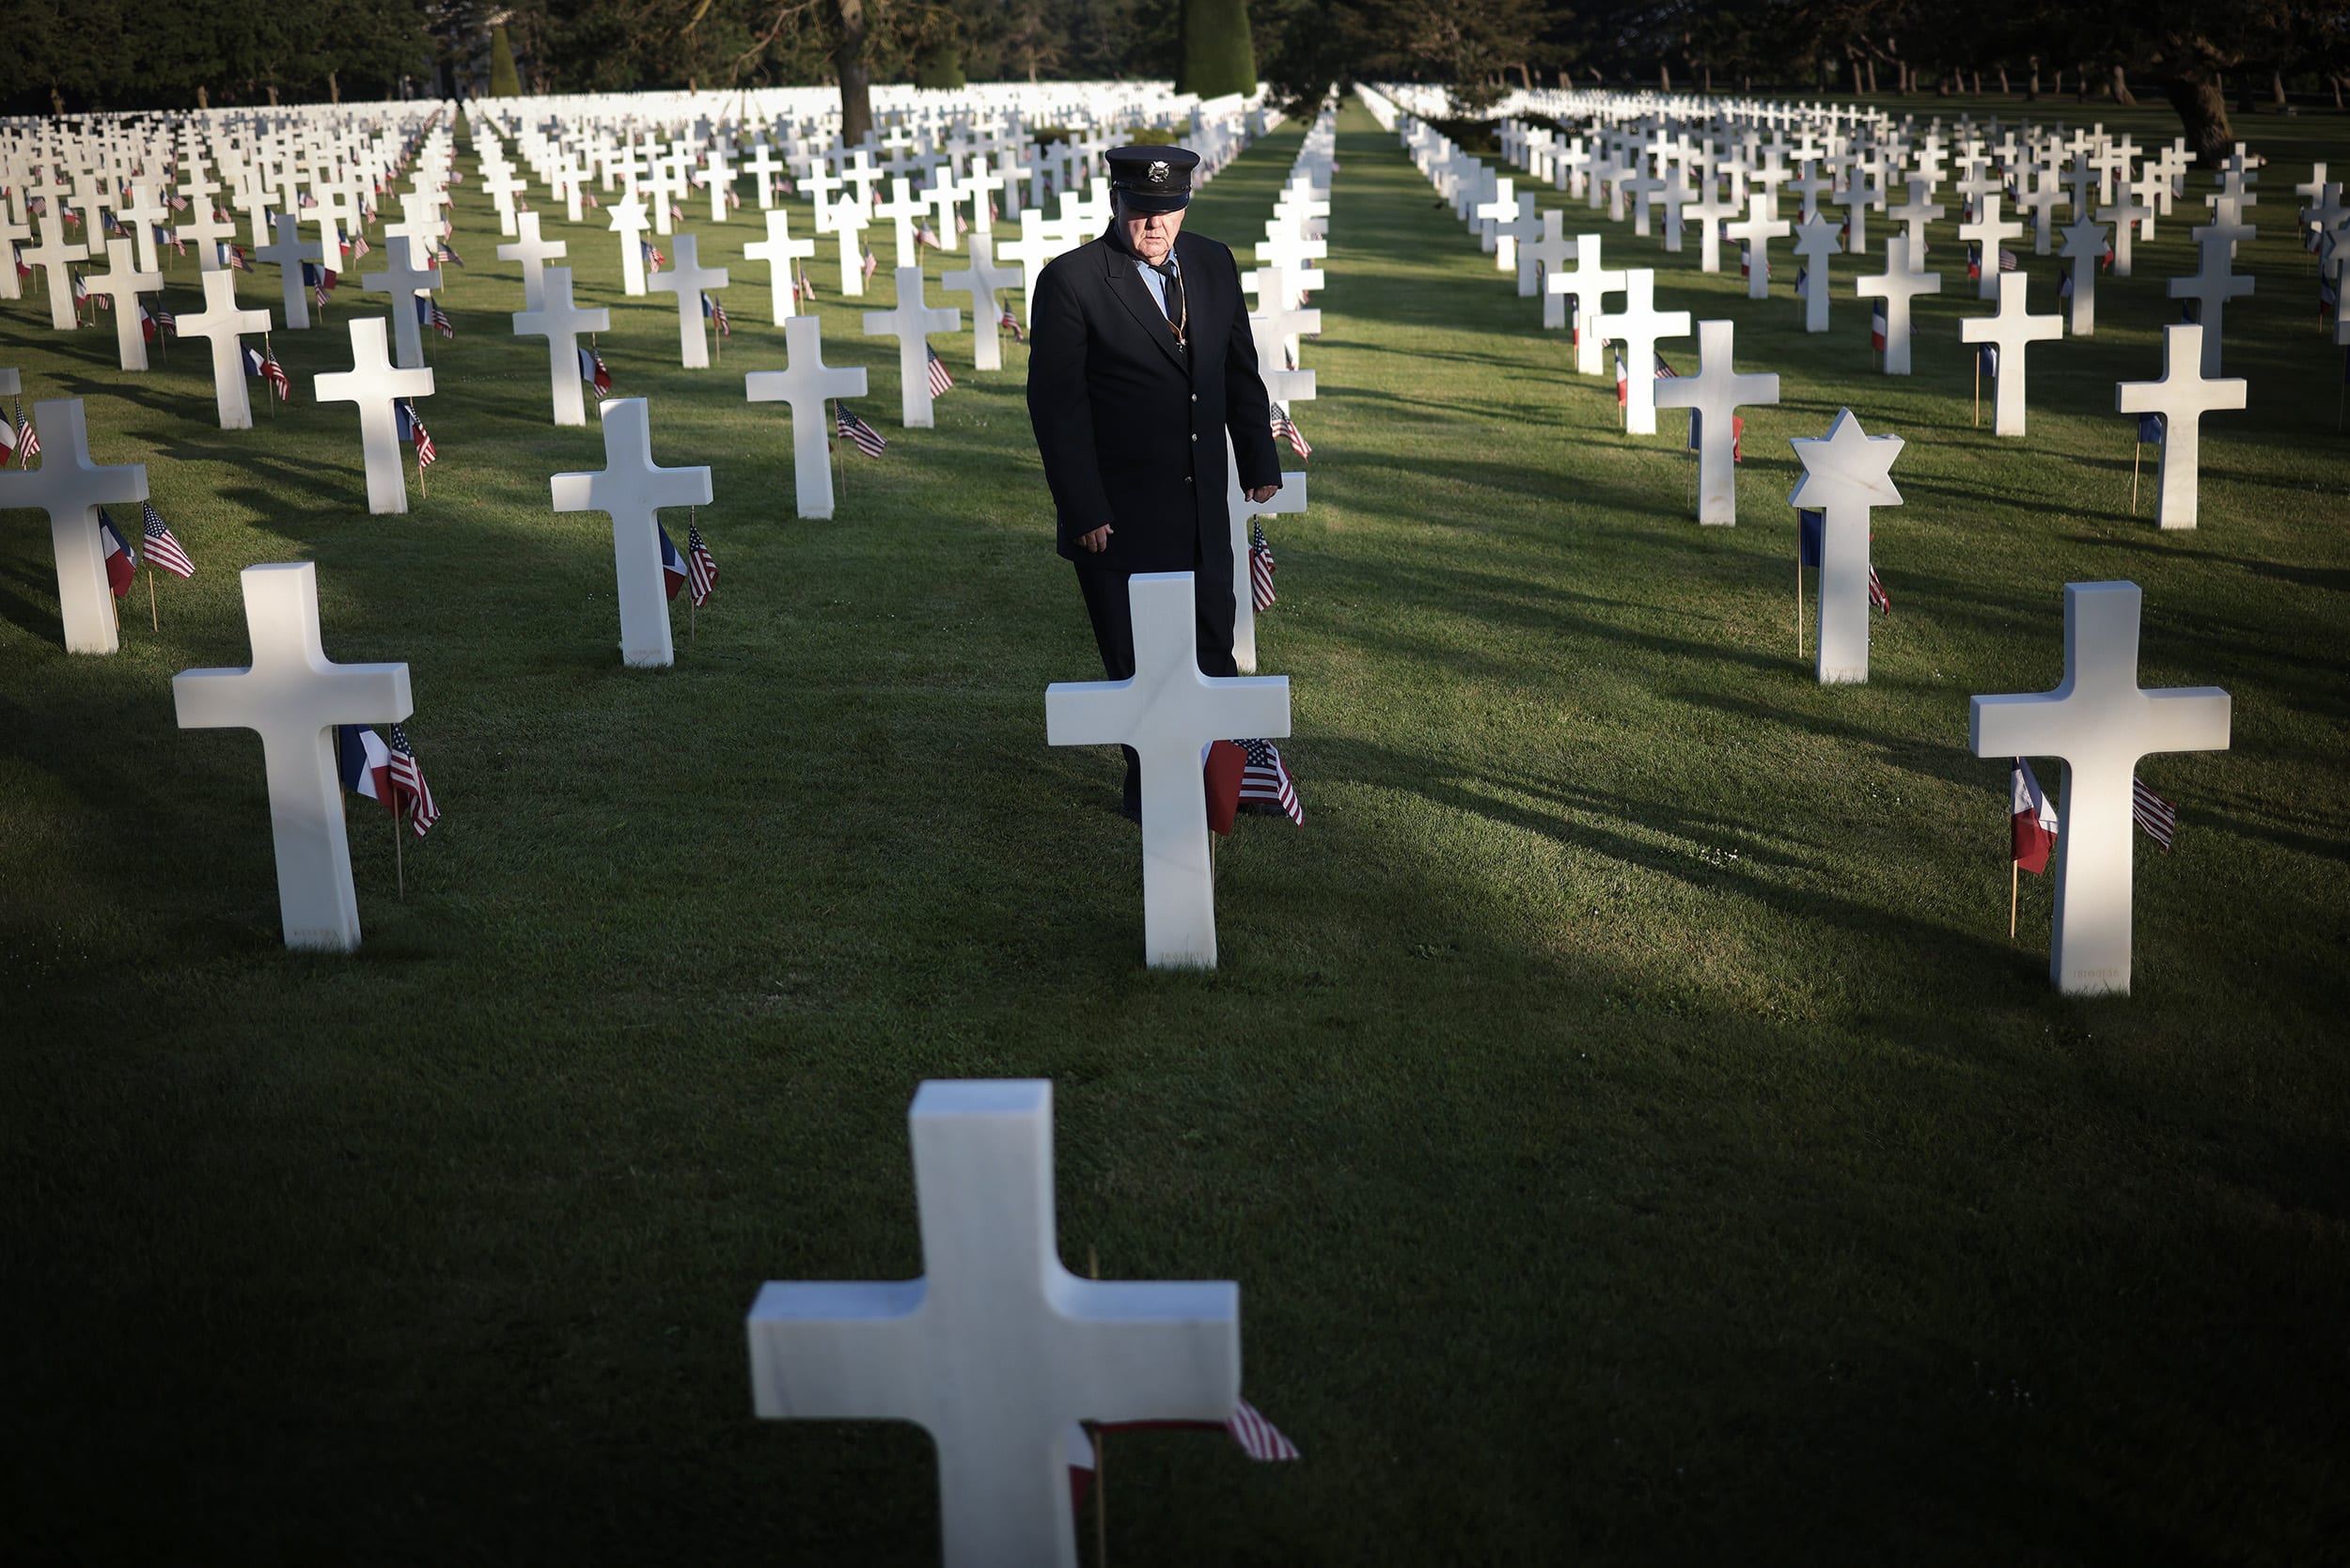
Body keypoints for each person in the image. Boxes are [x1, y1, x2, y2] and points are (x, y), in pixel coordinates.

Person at [1026, 144, 1284, 822]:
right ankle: (1157, 795)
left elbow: (1237, 369)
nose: (1154, 226)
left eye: (1168, 212)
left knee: (1212, 644)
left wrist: (1257, 460)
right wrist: (1082, 506)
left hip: (1201, 507)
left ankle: (1226, 785)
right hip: (1118, 517)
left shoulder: (1212, 263)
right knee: (1137, 664)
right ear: (1115, 204)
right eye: (1141, 212)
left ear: (1186, 206)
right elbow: (1058, 409)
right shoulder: (1073, 281)